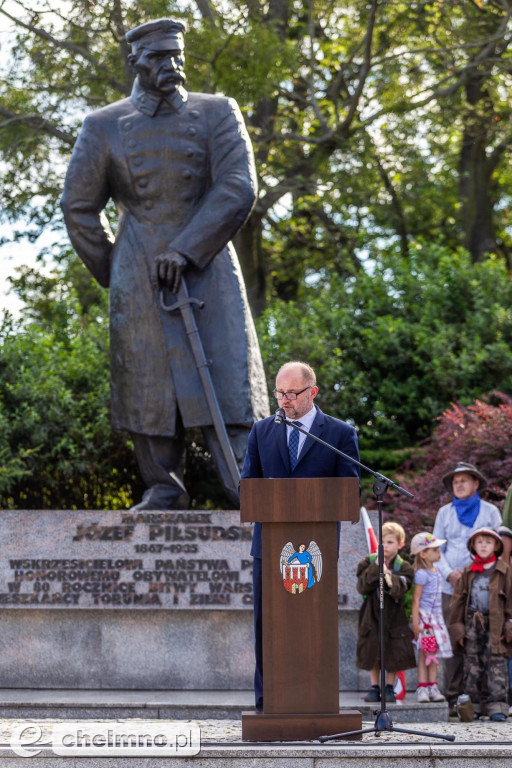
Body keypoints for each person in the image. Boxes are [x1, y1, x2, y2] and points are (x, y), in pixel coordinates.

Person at [61, 18, 269, 511]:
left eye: (176, 55)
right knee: (147, 386)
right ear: (134, 63)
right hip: (138, 274)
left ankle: (247, 484)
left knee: (227, 376)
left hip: (209, 263)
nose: (172, 65)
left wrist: (187, 248)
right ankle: (162, 486)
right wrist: (117, 274)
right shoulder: (103, 125)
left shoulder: (218, 112)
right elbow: (78, 207)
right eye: (158, 58)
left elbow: (239, 186)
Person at [240, 360, 360, 711]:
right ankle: (268, 702)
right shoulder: (261, 431)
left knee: (313, 623)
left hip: (317, 550)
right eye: (279, 392)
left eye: (292, 393)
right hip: (270, 547)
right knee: (269, 625)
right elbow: (248, 486)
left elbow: (349, 491)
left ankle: (317, 699)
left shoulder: (339, 434)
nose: (284, 400)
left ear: (313, 392)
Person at [432, 461, 501, 714]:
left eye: (464, 480)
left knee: (483, 642)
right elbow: (436, 548)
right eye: (455, 481)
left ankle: (483, 701)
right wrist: (451, 573)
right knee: (453, 642)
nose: (458, 484)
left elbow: (496, 547)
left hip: (482, 587)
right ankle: (452, 699)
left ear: (476, 484)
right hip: (450, 589)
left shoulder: (490, 512)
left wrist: (472, 571)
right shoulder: (444, 513)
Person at [448, 528, 512, 721]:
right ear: (473, 546)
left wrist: (509, 626)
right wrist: (458, 630)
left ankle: (497, 706)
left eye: (488, 542)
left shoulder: (504, 570)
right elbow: (457, 602)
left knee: (497, 664)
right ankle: (471, 706)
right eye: (480, 542)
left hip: (497, 625)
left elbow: (511, 600)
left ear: (496, 546)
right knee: (472, 665)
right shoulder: (468, 571)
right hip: (472, 625)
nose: (484, 545)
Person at [356, 521, 416, 703]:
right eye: (382, 542)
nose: (386, 546)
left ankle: (389, 687)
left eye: (390, 542)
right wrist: (376, 567)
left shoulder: (403, 566)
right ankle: (374, 687)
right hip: (371, 615)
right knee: (373, 651)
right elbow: (362, 586)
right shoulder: (368, 562)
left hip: (394, 616)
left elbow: (402, 588)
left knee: (393, 652)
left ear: (400, 544)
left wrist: (389, 576)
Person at [410, 532, 452, 703]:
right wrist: (415, 623)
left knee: (433, 654)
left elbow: (438, 597)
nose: (438, 552)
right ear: (423, 554)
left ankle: (433, 686)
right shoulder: (421, 574)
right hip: (425, 619)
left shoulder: (437, 572)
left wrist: (440, 618)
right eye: (434, 550)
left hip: (436, 619)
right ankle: (422, 687)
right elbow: (416, 598)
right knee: (423, 654)